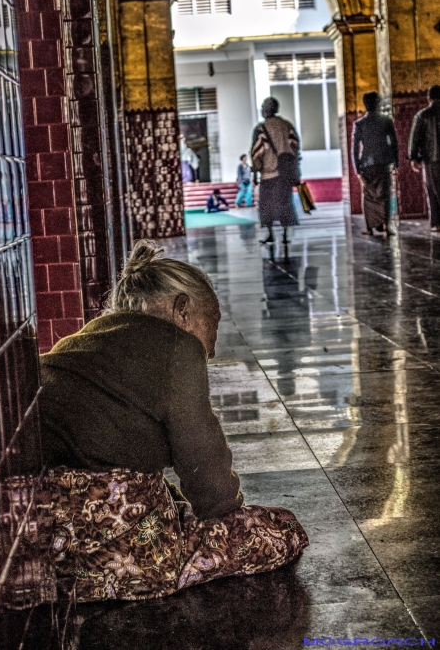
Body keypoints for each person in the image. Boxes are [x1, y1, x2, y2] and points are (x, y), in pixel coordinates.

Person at [38, 240, 308, 603]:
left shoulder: (78, 341)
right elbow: (203, 464)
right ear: (182, 311)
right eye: (212, 323)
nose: (212, 347)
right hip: (115, 543)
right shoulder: (177, 348)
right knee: (281, 529)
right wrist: (229, 517)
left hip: (45, 533)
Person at [251, 97, 300, 245]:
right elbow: (295, 147)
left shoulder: (261, 129)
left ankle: (270, 233)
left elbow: (256, 153)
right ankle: (285, 235)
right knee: (285, 203)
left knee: (267, 206)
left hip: (268, 174)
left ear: (265, 111)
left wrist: (255, 172)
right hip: (285, 174)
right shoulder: (287, 126)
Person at [352, 91, 399, 236]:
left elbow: (354, 148)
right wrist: (396, 164)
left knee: (368, 196)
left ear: (365, 105)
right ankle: (385, 225)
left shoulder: (359, 124)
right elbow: (394, 144)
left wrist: (357, 169)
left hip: (366, 164)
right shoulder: (386, 121)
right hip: (383, 163)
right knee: (384, 194)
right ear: (378, 104)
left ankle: (369, 228)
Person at [409, 84, 440, 232]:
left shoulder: (422, 115)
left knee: (433, 191)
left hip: (431, 160)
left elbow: (415, 138)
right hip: (431, 159)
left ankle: (437, 224)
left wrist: (413, 157)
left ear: (429, 98)